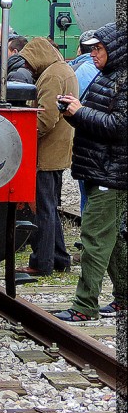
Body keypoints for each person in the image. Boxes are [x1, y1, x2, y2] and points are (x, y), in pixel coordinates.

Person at [54, 22, 126, 321]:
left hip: (112, 173)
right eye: (92, 48)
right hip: (101, 170)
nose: (93, 54)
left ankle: (85, 306)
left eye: (99, 49)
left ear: (116, 50)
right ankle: (123, 298)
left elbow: (119, 126)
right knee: (114, 239)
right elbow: (99, 123)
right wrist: (73, 112)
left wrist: (80, 112)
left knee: (95, 238)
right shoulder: (108, 77)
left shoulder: (122, 81)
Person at [16, 35, 78, 278]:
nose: (28, 69)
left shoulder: (51, 76)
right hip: (58, 150)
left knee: (43, 209)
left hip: (46, 153)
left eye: (29, 64)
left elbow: (46, 117)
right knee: (51, 207)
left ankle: (41, 262)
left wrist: (24, 139)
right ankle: (60, 258)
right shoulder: (63, 69)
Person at [68, 31, 99, 214]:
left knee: (87, 190)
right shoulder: (110, 72)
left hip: (81, 133)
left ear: (80, 48)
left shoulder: (76, 69)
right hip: (100, 139)